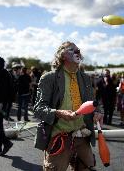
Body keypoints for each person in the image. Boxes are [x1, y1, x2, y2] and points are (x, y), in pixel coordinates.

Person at [34, 41, 103, 171]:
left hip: (82, 136)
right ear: (63, 56)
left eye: (78, 49)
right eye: (72, 49)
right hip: (59, 136)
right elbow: (38, 108)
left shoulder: (85, 78)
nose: (77, 51)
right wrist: (58, 113)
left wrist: (98, 112)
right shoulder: (49, 78)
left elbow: (93, 103)